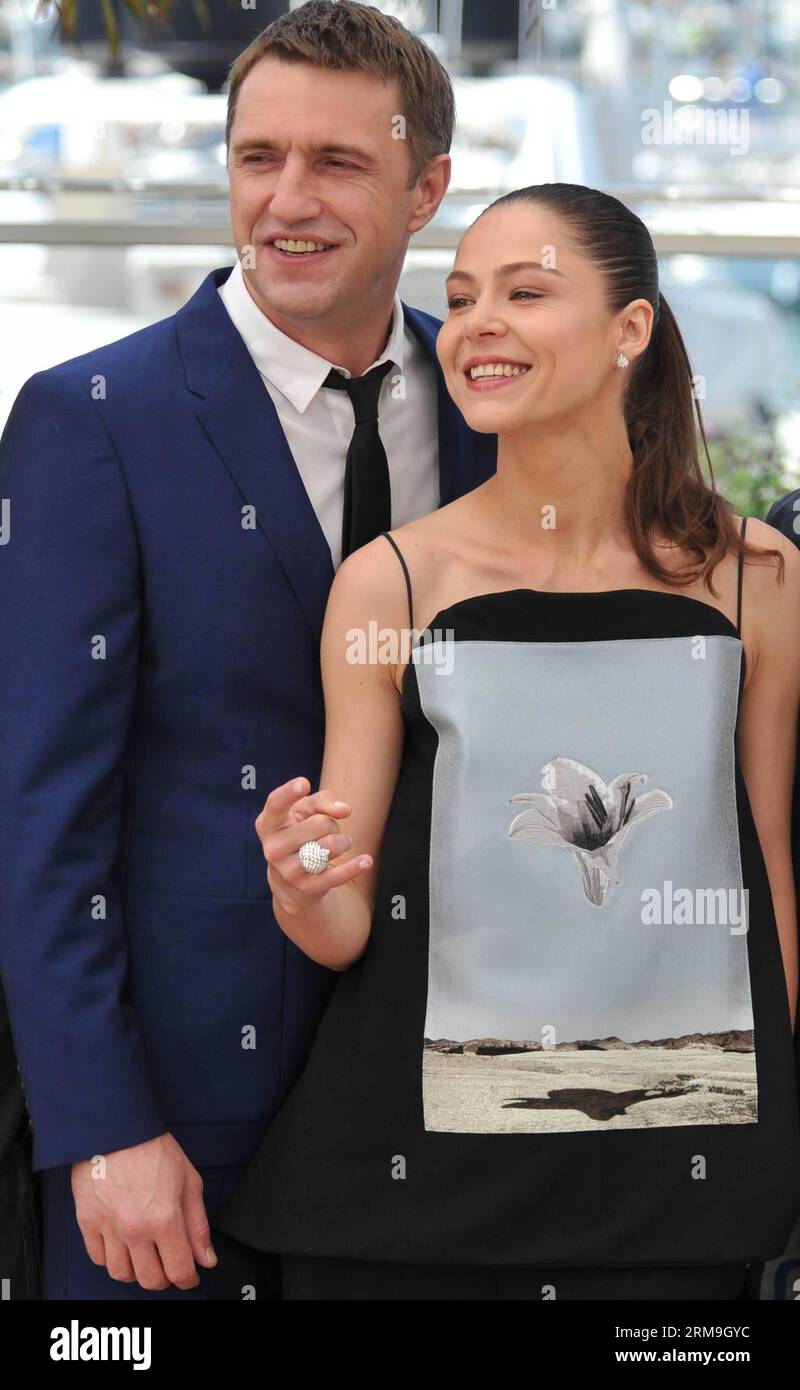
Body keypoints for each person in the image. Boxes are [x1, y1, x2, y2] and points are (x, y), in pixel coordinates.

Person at [215, 182, 800, 1301]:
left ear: (630, 329)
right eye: (462, 296)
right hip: (408, 1186)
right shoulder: (388, 578)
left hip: (674, 1176)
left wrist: (732, 1124)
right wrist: (300, 883)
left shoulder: (755, 579)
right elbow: (346, 919)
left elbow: (764, 881)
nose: (475, 322)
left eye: (524, 292)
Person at [0, 1, 495, 1299]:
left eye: (337, 162)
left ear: (427, 186)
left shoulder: (498, 413)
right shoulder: (92, 421)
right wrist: (101, 1125)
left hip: (455, 1123)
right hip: (184, 1140)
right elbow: (40, 812)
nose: (287, 199)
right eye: (257, 156)